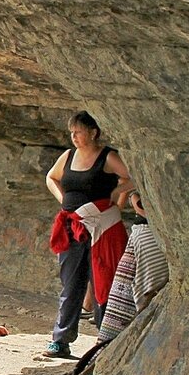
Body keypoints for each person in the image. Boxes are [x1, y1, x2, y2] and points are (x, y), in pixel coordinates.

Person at [44, 111, 134, 358]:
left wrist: (118, 196)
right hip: (72, 228)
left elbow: (131, 177)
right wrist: (63, 200)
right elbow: (51, 177)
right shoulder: (69, 156)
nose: (74, 136)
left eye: (78, 132)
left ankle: (105, 339)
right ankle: (61, 340)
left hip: (101, 227)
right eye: (71, 132)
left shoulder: (107, 156)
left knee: (103, 280)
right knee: (71, 283)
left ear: (93, 132)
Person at [96, 191, 169, 343]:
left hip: (149, 238)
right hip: (144, 235)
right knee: (126, 297)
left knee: (141, 297)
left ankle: (118, 342)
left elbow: (144, 208)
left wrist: (134, 199)